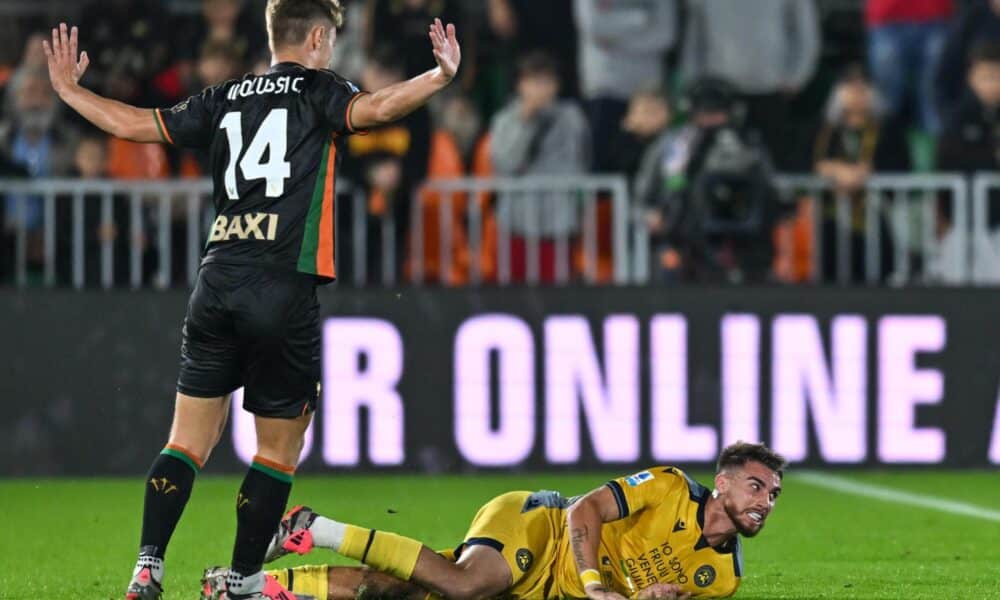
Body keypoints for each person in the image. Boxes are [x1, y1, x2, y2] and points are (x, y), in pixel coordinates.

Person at [42, 1, 461, 598]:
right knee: (276, 450)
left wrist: (68, 91)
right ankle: (241, 580)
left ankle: (146, 568)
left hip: (215, 281)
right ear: (318, 36)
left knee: (186, 441)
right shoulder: (321, 90)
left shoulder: (224, 96)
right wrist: (438, 78)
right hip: (282, 286)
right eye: (333, 40)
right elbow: (374, 108)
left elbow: (135, 124)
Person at [200, 441, 786, 600]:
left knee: (415, 590)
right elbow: (586, 510)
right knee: (464, 583)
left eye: (775, 494)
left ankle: (260, 589)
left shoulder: (724, 580)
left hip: (549, 591)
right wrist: (596, 587)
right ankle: (316, 528)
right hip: (541, 525)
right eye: (757, 485)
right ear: (726, 481)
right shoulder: (670, 487)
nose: (765, 501)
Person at [637, 78, 777, 284]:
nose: (710, 121)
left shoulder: (749, 147)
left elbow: (768, 192)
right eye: (704, 113)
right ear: (692, 112)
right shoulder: (672, 146)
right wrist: (651, 217)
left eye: (717, 114)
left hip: (739, 244)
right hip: (680, 240)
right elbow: (642, 199)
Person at [488, 51, 590, 284]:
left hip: (558, 225)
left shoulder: (572, 118)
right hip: (516, 224)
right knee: (512, 296)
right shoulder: (505, 120)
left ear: (556, 85)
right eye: (533, 82)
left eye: (546, 82)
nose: (540, 89)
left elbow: (580, 162)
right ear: (520, 85)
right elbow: (505, 165)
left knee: (557, 296)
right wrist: (526, 123)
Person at [813, 65, 910, 283]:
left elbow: (901, 166)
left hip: (873, 221)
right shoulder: (821, 129)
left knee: (877, 280)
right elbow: (802, 164)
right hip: (827, 223)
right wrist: (831, 170)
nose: (857, 94)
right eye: (849, 87)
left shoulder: (889, 129)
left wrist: (864, 175)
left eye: (863, 88)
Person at [574, 0, 677, 173]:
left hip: (650, 94)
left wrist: (613, 41)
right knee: (602, 169)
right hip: (605, 90)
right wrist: (641, 19)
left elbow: (665, 35)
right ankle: (603, 203)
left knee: (658, 165)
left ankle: (647, 201)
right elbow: (593, 26)